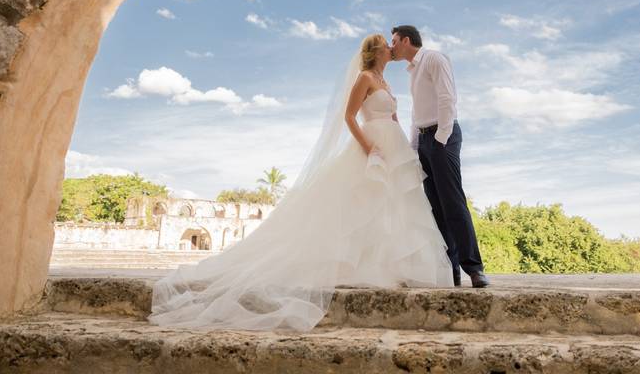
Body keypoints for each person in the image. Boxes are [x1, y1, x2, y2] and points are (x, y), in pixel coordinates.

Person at [147, 34, 453, 332]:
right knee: (366, 203)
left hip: (394, 145)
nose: (391, 47)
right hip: (371, 145)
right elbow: (349, 116)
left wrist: (403, 146)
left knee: (395, 205)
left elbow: (395, 118)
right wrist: (368, 147)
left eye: (393, 43)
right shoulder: (364, 78)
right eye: (386, 45)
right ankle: (361, 266)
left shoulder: (386, 82)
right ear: (377, 52)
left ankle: (393, 266)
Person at [390, 25, 489, 288]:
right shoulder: (412, 72)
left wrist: (441, 138)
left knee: (453, 202)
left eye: (395, 42)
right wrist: (414, 147)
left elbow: (447, 97)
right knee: (436, 208)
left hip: (441, 138)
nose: (392, 47)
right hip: (424, 140)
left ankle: (474, 269)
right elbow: (416, 113)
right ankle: (451, 271)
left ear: (406, 40)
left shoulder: (434, 58)